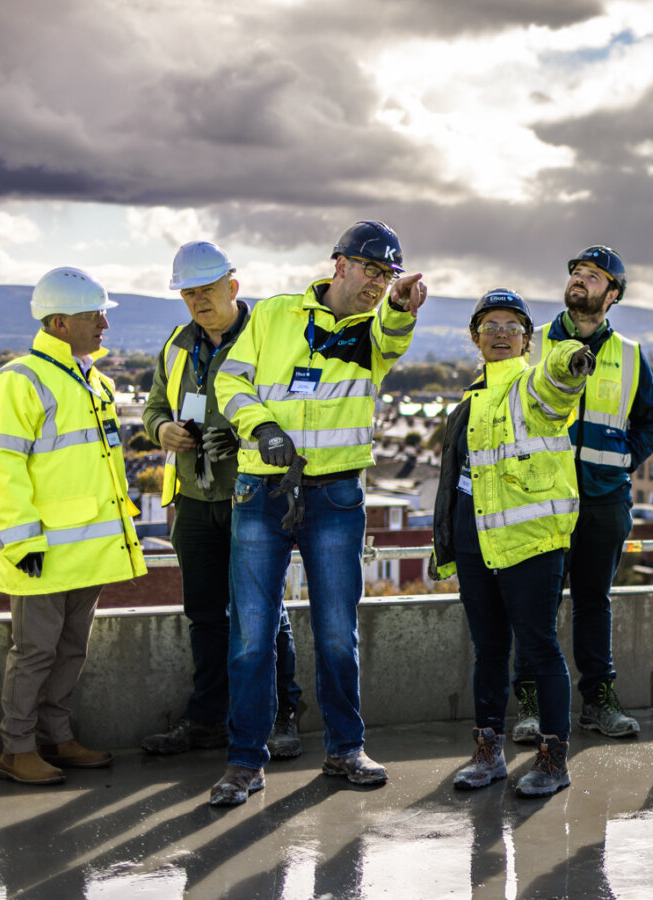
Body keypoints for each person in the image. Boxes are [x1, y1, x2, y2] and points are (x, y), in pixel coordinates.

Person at [208, 221, 429, 806]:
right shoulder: (277, 315)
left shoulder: (371, 333)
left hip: (335, 499)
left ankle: (345, 749)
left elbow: (393, 336)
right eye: (371, 271)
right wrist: (263, 426)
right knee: (251, 635)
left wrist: (403, 307)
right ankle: (244, 762)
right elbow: (229, 380)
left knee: (337, 633)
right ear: (340, 265)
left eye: (388, 276)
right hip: (263, 490)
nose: (378, 284)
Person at [140, 241, 307, 760]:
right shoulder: (176, 345)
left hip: (252, 495)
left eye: (206, 292)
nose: (197, 303)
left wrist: (245, 438)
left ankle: (283, 716)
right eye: (188, 294)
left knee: (263, 612)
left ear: (232, 287)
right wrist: (162, 429)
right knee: (206, 614)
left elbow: (296, 413)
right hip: (193, 500)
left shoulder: (268, 340)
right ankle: (208, 718)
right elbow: (153, 408)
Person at [0, 267, 147, 784]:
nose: (104, 324)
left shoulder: (95, 382)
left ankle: (58, 737)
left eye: (103, 314)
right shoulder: (16, 381)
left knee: (72, 648)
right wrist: (21, 538)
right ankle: (17, 748)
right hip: (42, 550)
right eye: (93, 315)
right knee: (33, 652)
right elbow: (2, 468)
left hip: (87, 550)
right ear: (58, 322)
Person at [432, 289, 597, 797]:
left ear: (528, 339)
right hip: (476, 541)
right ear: (475, 338)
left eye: (511, 326)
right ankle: (487, 752)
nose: (500, 333)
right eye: (490, 325)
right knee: (488, 650)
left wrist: (571, 358)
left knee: (540, 648)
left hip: (531, 543)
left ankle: (552, 757)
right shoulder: (469, 401)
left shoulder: (529, 386)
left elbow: (558, 382)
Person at [520, 245, 653, 742]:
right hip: (540, 497)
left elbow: (652, 420)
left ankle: (598, 700)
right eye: (577, 272)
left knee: (593, 601)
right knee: (535, 601)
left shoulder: (629, 354)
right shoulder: (531, 344)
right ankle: (529, 701)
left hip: (603, 501)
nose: (580, 279)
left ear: (613, 294)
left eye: (593, 275)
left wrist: (622, 461)